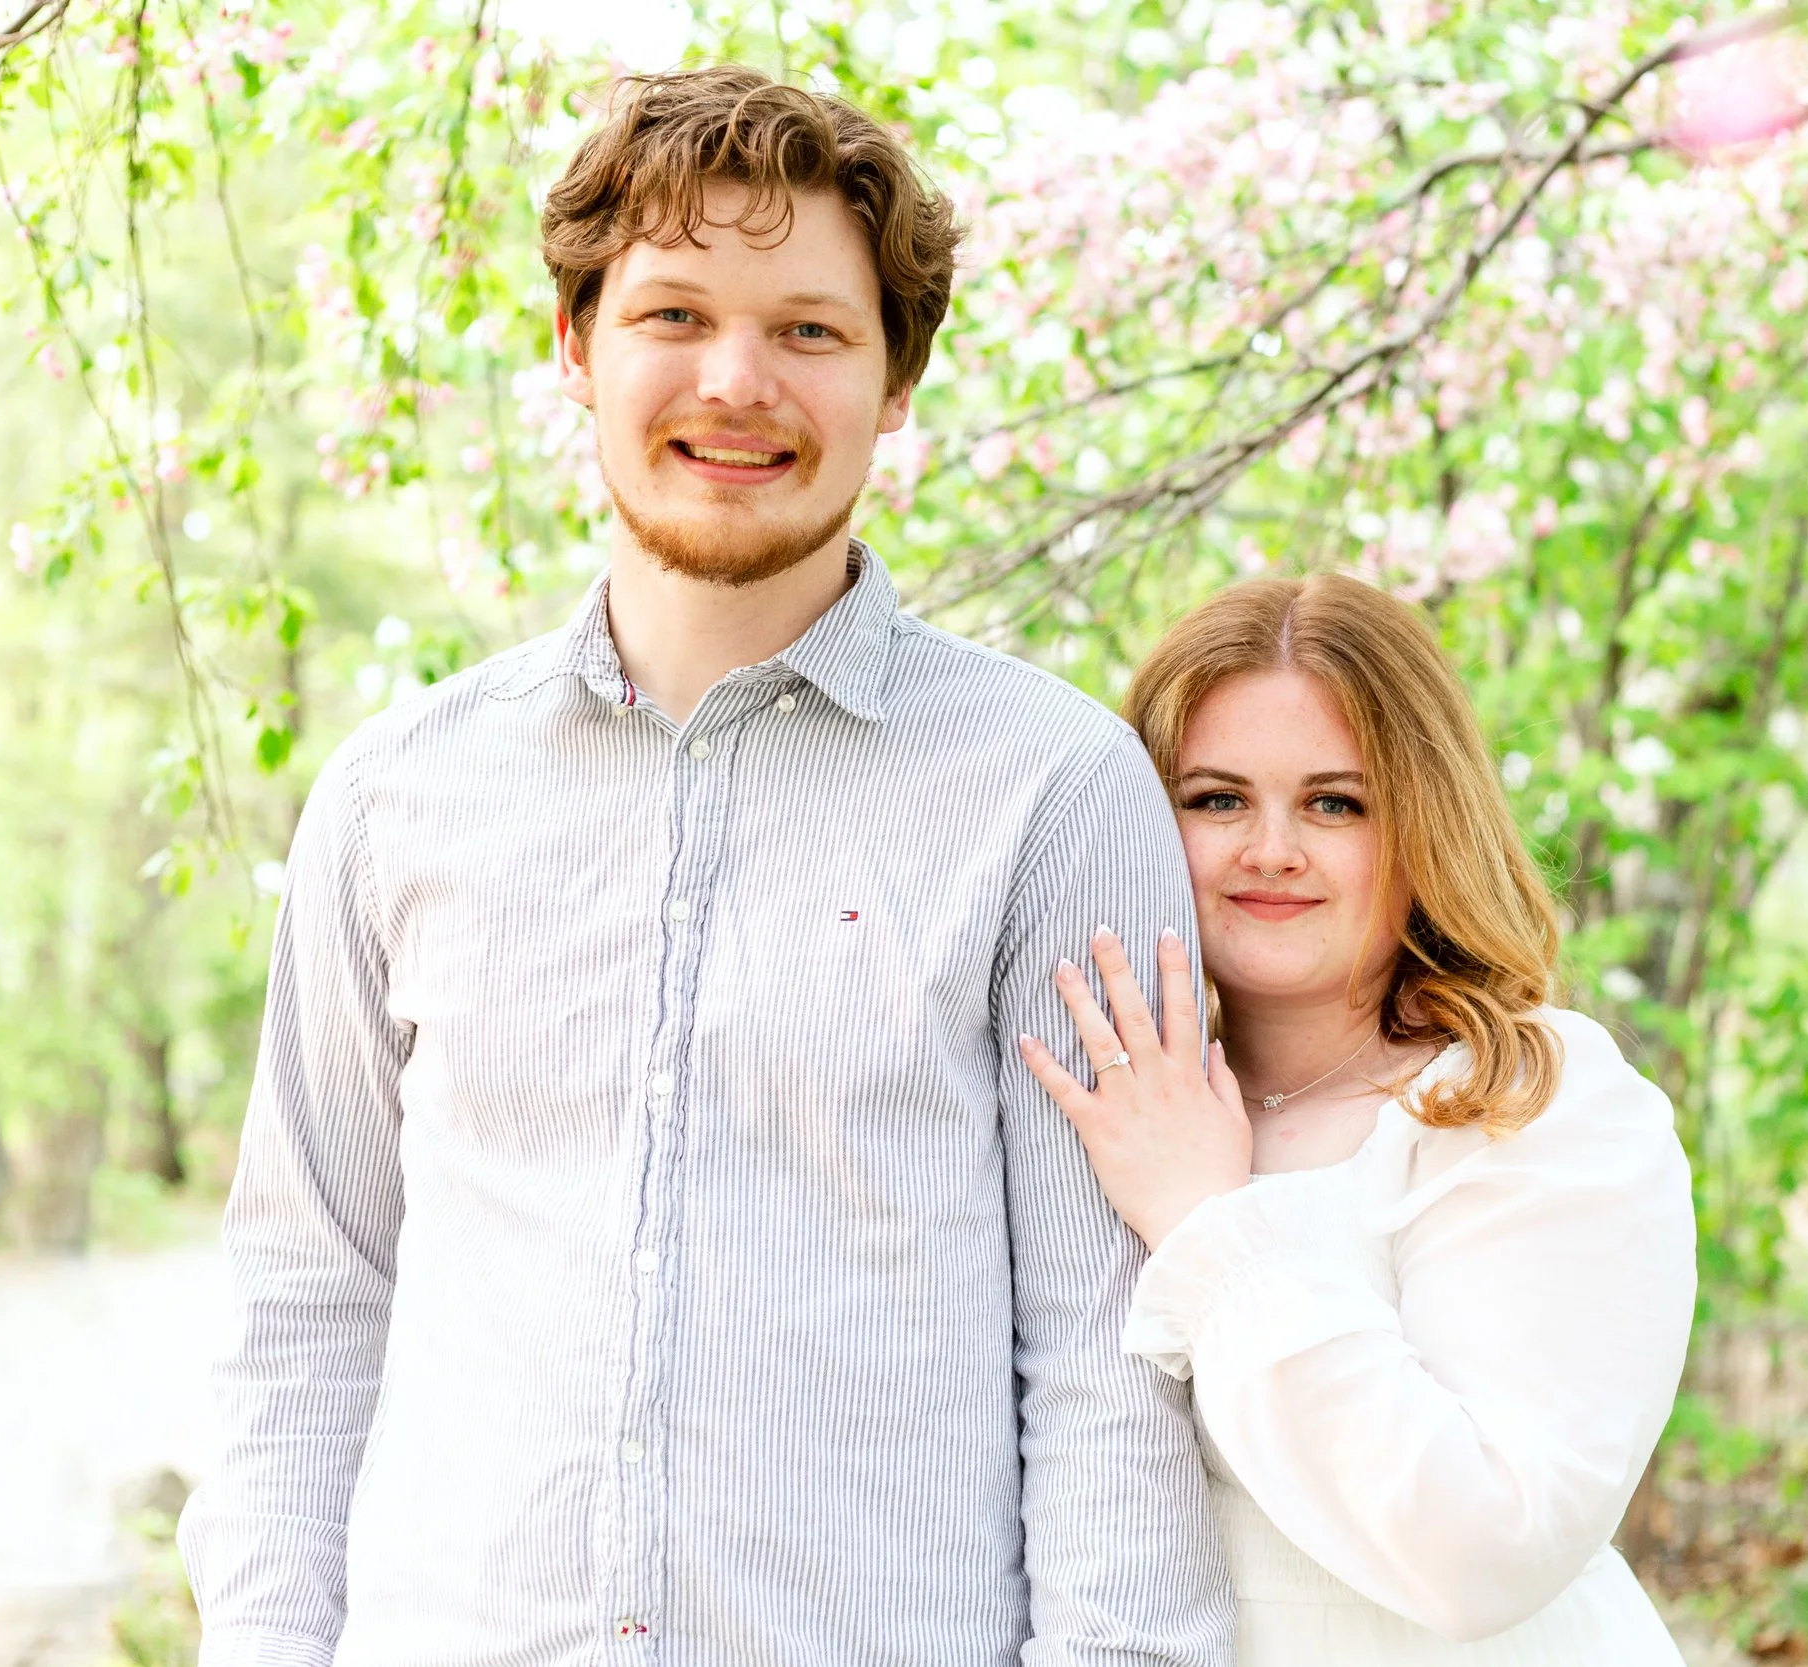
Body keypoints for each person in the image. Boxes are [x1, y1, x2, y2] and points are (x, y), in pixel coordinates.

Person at [178, 66, 1231, 1667]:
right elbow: (304, 1302)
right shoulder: (396, 797)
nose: (737, 381)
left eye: (811, 328)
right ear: (577, 347)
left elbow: (1105, 1360)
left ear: (893, 386)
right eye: (674, 312)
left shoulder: (1054, 789)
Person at [1019, 574, 1696, 1664]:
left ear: (1425, 819)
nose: (1271, 849)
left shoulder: (1536, 1100)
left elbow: (1484, 1548)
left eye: (1337, 801)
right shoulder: (1103, 1101)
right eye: (1214, 798)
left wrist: (1207, 1218)